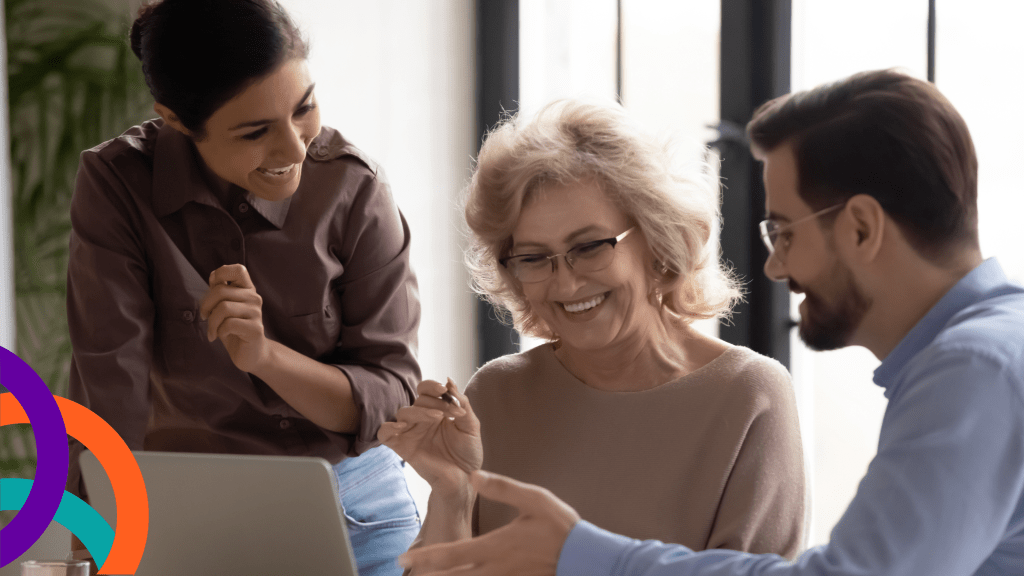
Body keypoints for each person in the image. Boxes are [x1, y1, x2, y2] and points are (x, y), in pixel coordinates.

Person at [396, 69, 1024, 576]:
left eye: (782, 230)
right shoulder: (984, 357)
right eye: (534, 258)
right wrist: (453, 495)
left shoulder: (973, 370)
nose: (775, 265)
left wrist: (579, 552)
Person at [64, 1, 421, 574]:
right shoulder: (117, 185)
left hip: (354, 509)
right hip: (192, 512)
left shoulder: (354, 188)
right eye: (256, 132)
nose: (295, 149)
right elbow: (110, 386)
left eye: (304, 108)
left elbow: (394, 398)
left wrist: (267, 358)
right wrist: (94, 544)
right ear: (177, 119)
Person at [378, 99, 807, 567]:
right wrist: (453, 493)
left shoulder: (748, 394)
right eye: (535, 257)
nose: (565, 282)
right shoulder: (498, 392)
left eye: (589, 247)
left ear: (658, 238)